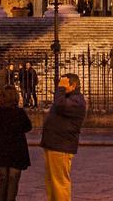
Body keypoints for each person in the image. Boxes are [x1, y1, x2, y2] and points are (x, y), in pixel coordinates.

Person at [40, 72, 86, 201]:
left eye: (64, 84)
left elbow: (60, 105)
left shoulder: (77, 101)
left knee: (60, 182)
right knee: (51, 181)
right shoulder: (68, 98)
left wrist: (60, 89)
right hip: (54, 144)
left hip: (61, 145)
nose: (60, 87)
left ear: (73, 85)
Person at [0, 84, 32, 201]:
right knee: (13, 177)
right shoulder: (19, 112)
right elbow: (28, 127)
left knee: (3, 177)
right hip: (17, 147)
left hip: (2, 147)